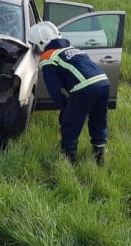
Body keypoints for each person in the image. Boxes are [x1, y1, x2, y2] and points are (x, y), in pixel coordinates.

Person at [27, 21, 110, 165]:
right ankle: (99, 155)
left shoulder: (48, 57)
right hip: (103, 82)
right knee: (98, 119)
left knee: (70, 123)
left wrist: (64, 106)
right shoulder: (73, 49)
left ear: (40, 43)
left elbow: (53, 89)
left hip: (84, 88)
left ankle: (69, 160)